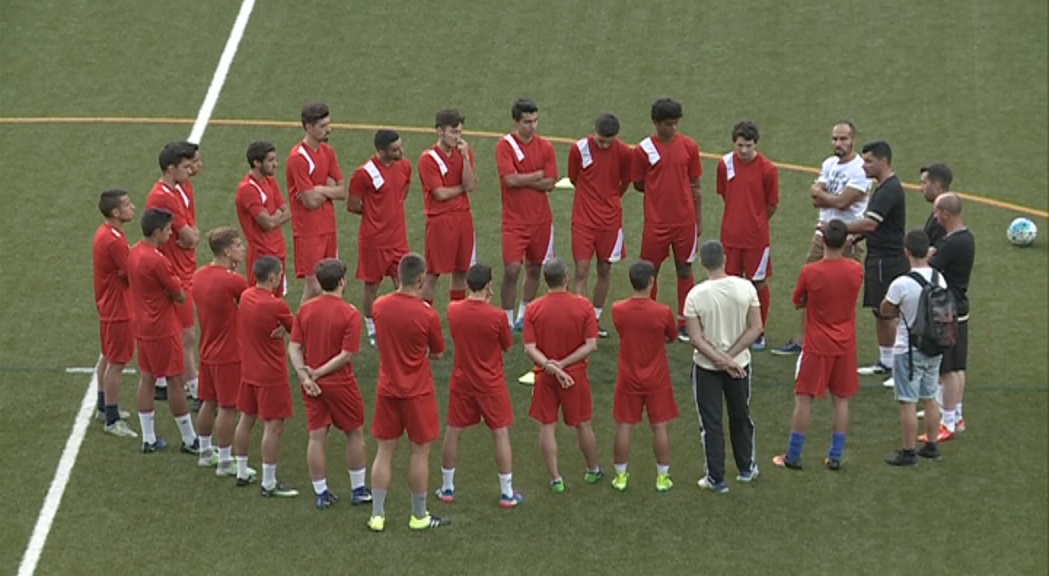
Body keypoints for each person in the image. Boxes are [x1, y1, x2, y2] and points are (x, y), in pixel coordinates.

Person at [771, 220, 863, 471]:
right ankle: (835, 455)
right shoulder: (855, 270)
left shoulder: (811, 272)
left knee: (804, 399)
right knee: (841, 401)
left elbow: (797, 300)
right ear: (846, 241)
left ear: (823, 241)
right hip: (845, 345)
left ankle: (793, 455)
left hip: (817, 345)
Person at [773, 121, 870, 356]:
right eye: (835, 138)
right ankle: (804, 340)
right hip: (822, 236)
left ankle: (838, 341)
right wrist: (827, 197)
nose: (838, 143)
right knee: (809, 287)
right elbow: (818, 199)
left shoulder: (860, 169)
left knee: (841, 293)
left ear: (853, 140)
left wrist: (823, 195)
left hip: (848, 238)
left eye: (843, 139)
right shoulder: (829, 163)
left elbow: (842, 202)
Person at [367, 253, 448, 532]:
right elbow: (438, 352)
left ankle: (377, 515)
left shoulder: (379, 306)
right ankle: (419, 515)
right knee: (419, 453)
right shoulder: (427, 314)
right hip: (418, 392)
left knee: (384, 451)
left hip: (387, 389)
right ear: (421, 277)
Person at [436, 264, 523, 508]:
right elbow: (507, 346)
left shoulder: (453, 310)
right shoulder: (496, 316)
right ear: (489, 286)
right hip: (491, 383)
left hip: (462, 381)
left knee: (454, 431)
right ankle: (506, 493)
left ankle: (447, 488)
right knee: (500, 433)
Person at [289, 259, 373, 510]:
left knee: (316, 436)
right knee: (355, 433)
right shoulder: (349, 313)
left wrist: (305, 377)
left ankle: (321, 493)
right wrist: (317, 374)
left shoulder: (305, 309)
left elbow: (293, 347)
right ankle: (358, 489)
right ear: (342, 282)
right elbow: (346, 355)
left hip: (312, 387)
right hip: (340, 383)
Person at [683, 240, 762, 493]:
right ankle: (746, 467)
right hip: (740, 365)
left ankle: (716, 478)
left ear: (702, 263)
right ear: (725, 259)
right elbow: (756, 328)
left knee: (711, 422)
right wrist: (730, 358)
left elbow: (695, 337)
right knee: (740, 416)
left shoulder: (695, 294)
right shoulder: (746, 287)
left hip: (707, 368)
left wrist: (720, 360)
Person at [523, 257, 602, 493]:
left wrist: (551, 367)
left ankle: (556, 479)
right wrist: (563, 366)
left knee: (547, 426)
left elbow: (530, 347)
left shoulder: (534, 308)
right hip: (574, 375)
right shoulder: (584, 306)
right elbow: (591, 344)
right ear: (566, 278)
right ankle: (593, 470)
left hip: (544, 375)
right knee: (583, 424)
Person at [127, 209, 199, 454]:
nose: (171, 233)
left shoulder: (134, 252)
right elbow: (179, 295)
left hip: (142, 326)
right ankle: (189, 439)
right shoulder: (157, 260)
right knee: (175, 381)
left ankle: (148, 438)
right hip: (163, 328)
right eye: (169, 230)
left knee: (147, 377)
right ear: (157, 232)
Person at [633, 97, 703, 341]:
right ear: (656, 123)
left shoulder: (689, 147)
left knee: (685, 269)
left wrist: (698, 220)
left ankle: (685, 320)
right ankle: (649, 319)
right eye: (668, 124)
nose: (672, 128)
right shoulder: (644, 150)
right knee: (650, 271)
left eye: (675, 123)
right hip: (656, 223)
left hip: (685, 222)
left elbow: (696, 185)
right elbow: (639, 183)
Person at [609, 260, 679, 492]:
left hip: (628, 377)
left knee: (625, 426)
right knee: (660, 427)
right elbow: (672, 336)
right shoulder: (663, 312)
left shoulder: (618, 309)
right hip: (657, 379)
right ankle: (662, 477)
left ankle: (620, 477)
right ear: (651, 282)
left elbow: (621, 331)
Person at [880, 230, 945, 466]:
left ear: (906, 251)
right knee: (929, 397)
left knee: (907, 401)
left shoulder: (902, 283)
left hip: (908, 348)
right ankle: (932, 445)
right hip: (935, 345)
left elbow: (886, 310)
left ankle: (909, 451)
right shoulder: (939, 278)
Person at [843, 140, 907, 377]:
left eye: (868, 161)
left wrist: (841, 229)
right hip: (878, 257)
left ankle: (899, 367)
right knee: (880, 312)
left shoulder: (889, 189)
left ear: (883, 161)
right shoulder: (883, 187)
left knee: (890, 312)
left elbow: (871, 223)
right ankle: (886, 362)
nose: (864, 167)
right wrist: (855, 237)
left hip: (887, 260)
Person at [234, 256, 297, 496]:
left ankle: (241, 471)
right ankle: (268, 483)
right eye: (280, 274)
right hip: (271, 373)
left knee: (246, 419)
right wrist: (285, 328)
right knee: (274, 426)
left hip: (249, 369)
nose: (281, 278)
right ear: (272, 277)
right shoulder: (276, 305)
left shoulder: (246, 296)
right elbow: (298, 329)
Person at [496, 98, 559, 331]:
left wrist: (524, 178)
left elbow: (550, 182)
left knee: (535, 268)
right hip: (514, 222)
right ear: (516, 121)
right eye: (527, 122)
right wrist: (536, 176)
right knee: (512, 269)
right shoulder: (505, 146)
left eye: (535, 121)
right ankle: (506, 317)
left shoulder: (546, 146)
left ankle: (524, 314)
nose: (532, 126)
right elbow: (509, 180)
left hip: (542, 220)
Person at [716, 121, 779, 351]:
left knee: (758, 283)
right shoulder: (724, 164)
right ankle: (732, 331)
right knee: (729, 285)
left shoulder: (767, 169)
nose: (743, 151)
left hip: (756, 240)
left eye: (748, 146)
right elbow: (725, 193)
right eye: (740, 145)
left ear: (756, 144)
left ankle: (758, 331)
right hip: (730, 237)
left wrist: (756, 222)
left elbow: (771, 204)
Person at [144, 141, 200, 402]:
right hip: (174, 271)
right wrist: (189, 237)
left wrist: (190, 236)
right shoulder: (162, 196)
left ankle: (163, 378)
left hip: (184, 266)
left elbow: (190, 234)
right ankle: (192, 385)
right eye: (186, 166)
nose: (191, 170)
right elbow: (189, 236)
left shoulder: (181, 187)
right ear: (170, 169)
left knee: (181, 330)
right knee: (186, 332)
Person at [568, 113, 632, 338]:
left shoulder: (624, 153)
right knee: (582, 270)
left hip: (611, 222)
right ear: (593, 131)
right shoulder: (580, 149)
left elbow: (626, 181)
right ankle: (580, 321)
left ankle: (594, 317)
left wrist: (611, 200)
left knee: (605, 269)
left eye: (608, 140)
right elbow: (574, 177)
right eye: (600, 139)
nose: (603, 144)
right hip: (583, 220)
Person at [191, 227, 250, 473]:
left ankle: (205, 451)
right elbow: (252, 305)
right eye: (238, 245)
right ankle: (225, 461)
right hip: (229, 353)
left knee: (208, 401)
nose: (242, 249)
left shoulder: (199, 275)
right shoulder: (233, 280)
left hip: (207, 349)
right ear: (227, 251)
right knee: (228, 407)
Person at [348, 130, 412, 346]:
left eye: (401, 147)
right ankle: (371, 327)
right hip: (374, 242)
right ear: (382, 152)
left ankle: (404, 323)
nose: (401, 152)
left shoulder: (404, 166)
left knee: (405, 283)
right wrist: (377, 215)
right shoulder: (364, 174)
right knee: (372, 286)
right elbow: (353, 204)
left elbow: (403, 190)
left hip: (398, 240)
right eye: (395, 150)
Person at [920, 192, 975, 442]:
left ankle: (948, 422)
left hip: (947, 308)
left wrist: (930, 254)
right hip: (959, 305)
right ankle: (957, 415)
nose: (934, 216)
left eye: (936, 212)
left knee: (948, 369)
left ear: (945, 214)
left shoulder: (952, 243)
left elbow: (931, 263)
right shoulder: (966, 237)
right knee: (958, 366)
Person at [286, 102, 347, 305]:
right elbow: (310, 202)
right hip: (308, 231)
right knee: (313, 287)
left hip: (328, 227)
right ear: (309, 127)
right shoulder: (298, 158)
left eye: (328, 124)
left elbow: (342, 191)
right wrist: (326, 189)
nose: (329, 129)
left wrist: (319, 188)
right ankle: (301, 332)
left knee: (334, 283)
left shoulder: (328, 152)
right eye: (323, 126)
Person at [418, 109, 478, 307]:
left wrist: (466, 159)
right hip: (440, 220)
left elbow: (471, 185)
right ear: (439, 131)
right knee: (433, 273)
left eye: (459, 132)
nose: (457, 137)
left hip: (463, 218)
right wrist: (461, 189)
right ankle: (423, 314)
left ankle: (456, 313)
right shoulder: (428, 158)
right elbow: (440, 194)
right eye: (453, 132)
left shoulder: (464, 152)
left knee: (461, 271)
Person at [92, 189, 136, 437]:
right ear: (116, 212)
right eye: (128, 205)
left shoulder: (106, 234)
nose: (133, 207)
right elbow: (130, 274)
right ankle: (112, 417)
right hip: (119, 308)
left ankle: (102, 406)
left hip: (109, 305)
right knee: (117, 363)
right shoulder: (114, 240)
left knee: (107, 357)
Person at [235, 140, 291, 297]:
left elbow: (287, 212)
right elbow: (267, 223)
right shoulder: (248, 189)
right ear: (257, 163)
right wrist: (275, 217)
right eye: (271, 160)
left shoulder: (269, 181)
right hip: (261, 254)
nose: (276, 164)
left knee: (277, 299)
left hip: (278, 251)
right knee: (259, 299)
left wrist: (274, 219)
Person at [920, 163, 952, 248]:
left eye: (924, 183)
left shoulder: (942, 220)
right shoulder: (939, 213)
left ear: (937, 187)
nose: (920, 189)